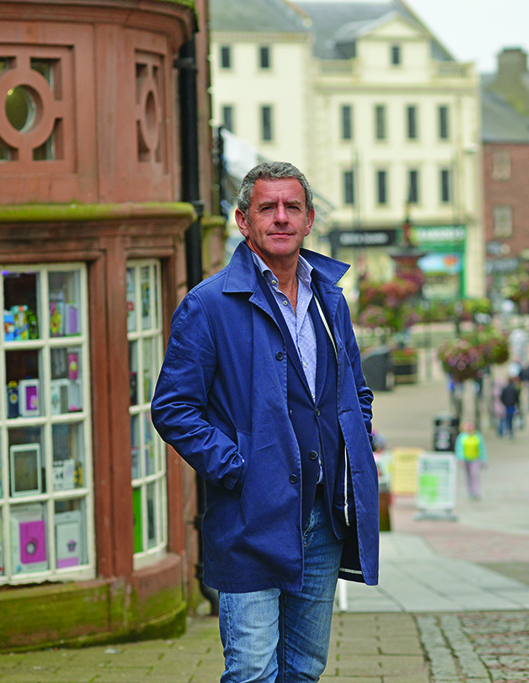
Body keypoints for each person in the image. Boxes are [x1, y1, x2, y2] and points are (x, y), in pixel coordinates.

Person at [150, 161, 379, 683]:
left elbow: (356, 392)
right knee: (252, 669)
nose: (280, 218)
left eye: (291, 207)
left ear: (309, 218)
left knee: (303, 669)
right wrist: (241, 469)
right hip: (250, 521)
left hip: (323, 519)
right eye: (267, 208)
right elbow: (173, 409)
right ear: (242, 220)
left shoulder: (330, 299)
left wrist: (352, 452)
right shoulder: (207, 306)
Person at [454, 421, 488, 500]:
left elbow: (482, 449)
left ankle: (475, 492)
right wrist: (459, 459)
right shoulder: (462, 437)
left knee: (474, 475)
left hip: (475, 459)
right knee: (468, 476)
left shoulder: (478, 436)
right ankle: (470, 492)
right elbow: (459, 448)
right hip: (465, 459)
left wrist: (484, 459)